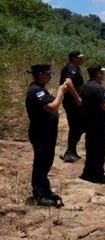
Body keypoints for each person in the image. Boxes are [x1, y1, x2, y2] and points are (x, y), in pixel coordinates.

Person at [25, 64, 67, 206]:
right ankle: (39, 194)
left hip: (47, 133)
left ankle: (45, 189)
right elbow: (52, 107)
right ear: (41, 74)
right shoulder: (36, 91)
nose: (51, 76)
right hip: (40, 133)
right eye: (49, 73)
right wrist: (61, 92)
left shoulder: (41, 89)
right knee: (41, 163)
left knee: (46, 161)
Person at [80, 65, 105, 184]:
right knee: (99, 150)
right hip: (99, 124)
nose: (103, 75)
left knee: (90, 148)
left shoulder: (85, 86)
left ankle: (87, 173)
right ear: (97, 74)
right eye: (101, 73)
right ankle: (98, 175)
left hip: (88, 122)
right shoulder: (98, 89)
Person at [59, 51, 84, 163]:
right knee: (76, 127)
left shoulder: (74, 67)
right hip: (72, 102)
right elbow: (68, 82)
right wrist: (77, 97)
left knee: (78, 127)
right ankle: (69, 153)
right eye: (79, 57)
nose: (82, 59)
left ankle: (72, 151)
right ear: (73, 58)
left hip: (73, 102)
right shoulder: (71, 68)